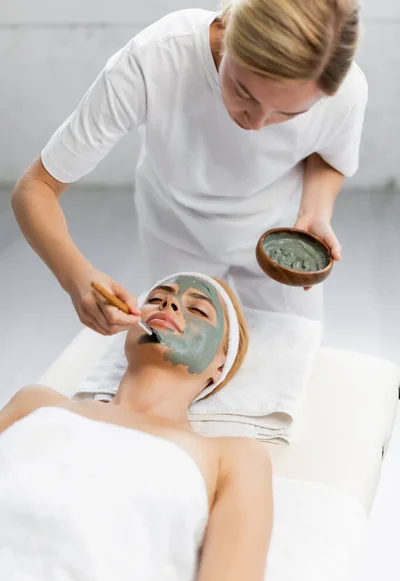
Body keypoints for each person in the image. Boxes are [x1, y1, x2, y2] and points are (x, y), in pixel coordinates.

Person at [11, 0, 367, 336]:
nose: (257, 123)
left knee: (290, 353)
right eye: (244, 92)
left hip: (279, 231)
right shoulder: (154, 60)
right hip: (175, 228)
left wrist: (314, 212)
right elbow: (34, 189)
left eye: (288, 114)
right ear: (229, 31)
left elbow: (329, 152)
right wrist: (77, 276)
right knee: (180, 357)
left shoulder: (345, 91)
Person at [0, 273, 272, 581]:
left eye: (198, 310)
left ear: (221, 363)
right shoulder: (35, 402)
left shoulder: (233, 457)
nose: (168, 304)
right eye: (157, 299)